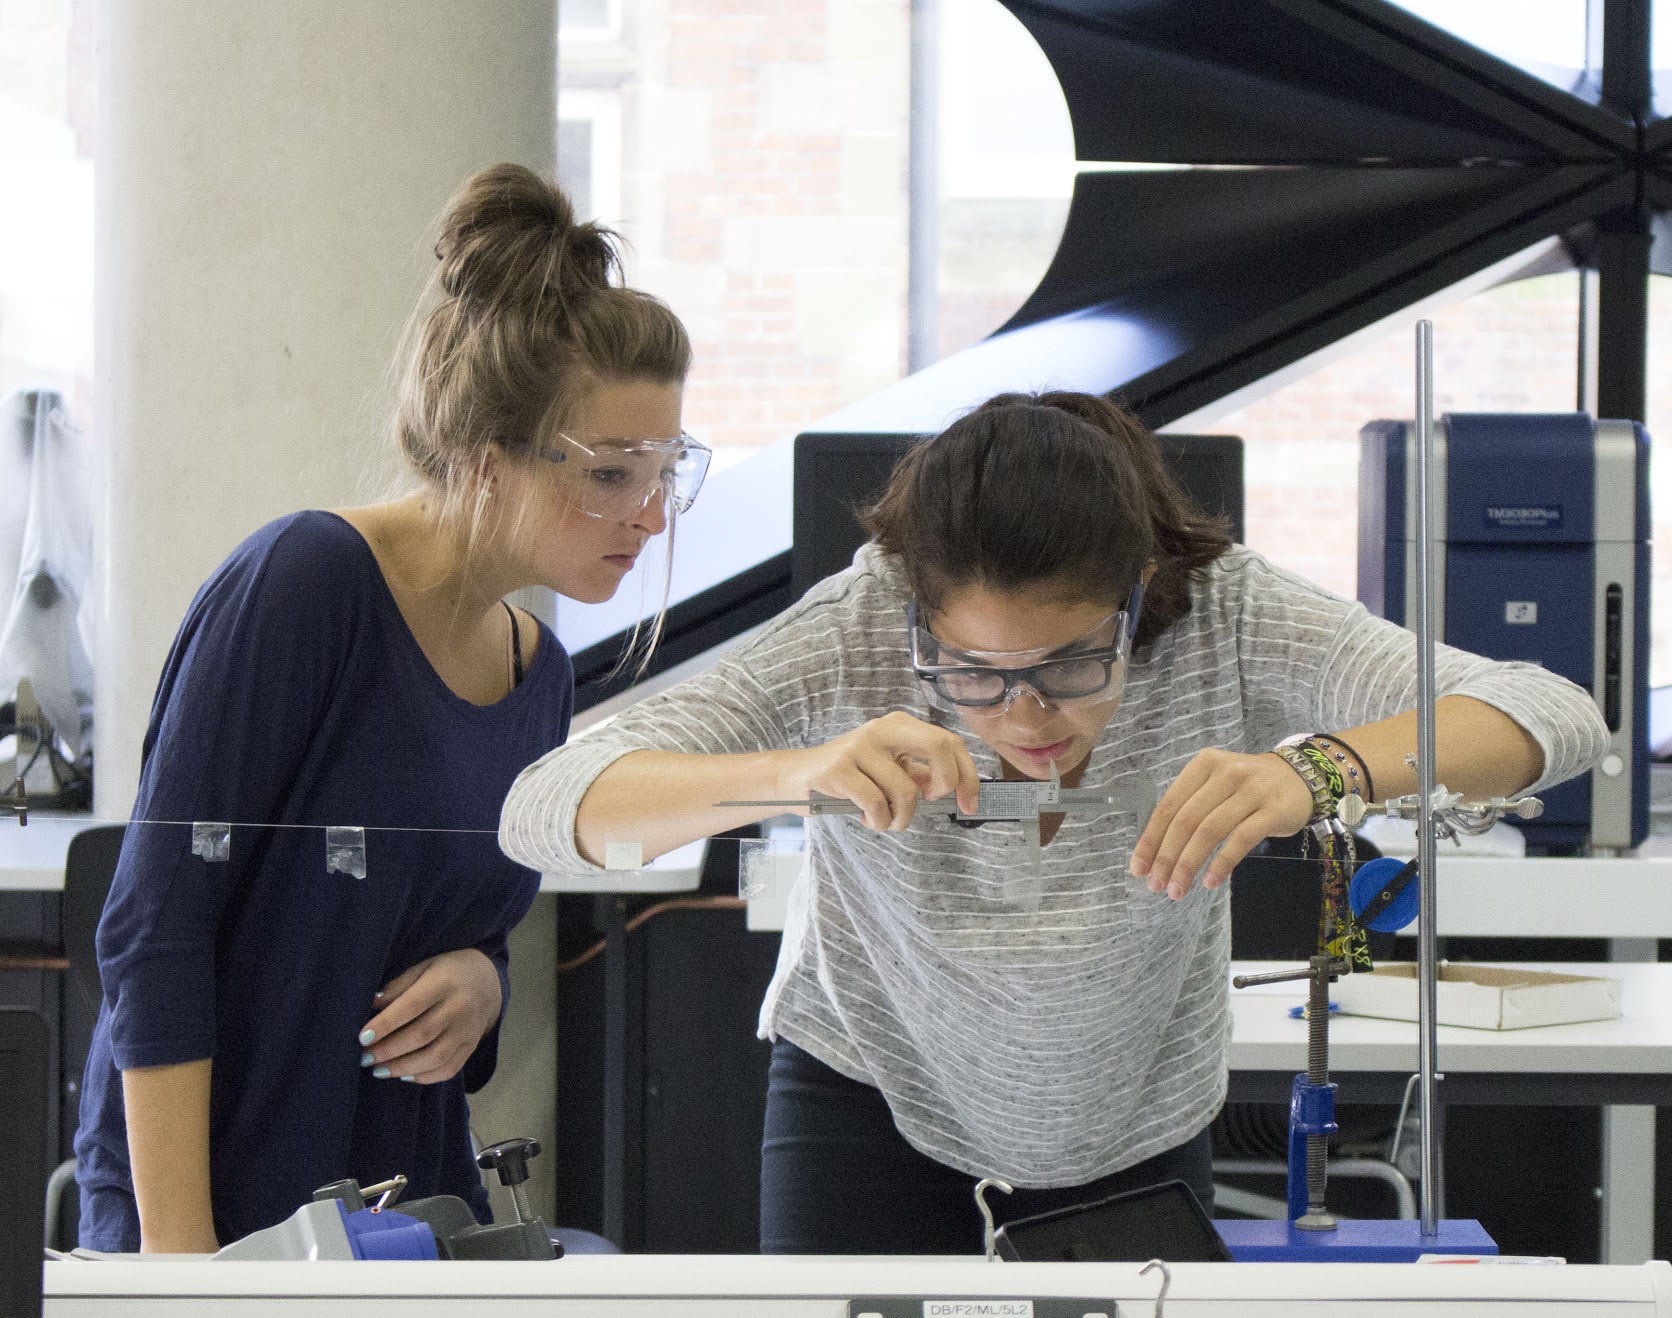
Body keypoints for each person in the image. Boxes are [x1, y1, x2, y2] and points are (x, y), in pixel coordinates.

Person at [498, 389, 1609, 1255]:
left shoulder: (1229, 609)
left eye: (1073, 663)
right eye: (973, 674)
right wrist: (800, 772)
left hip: (1130, 1117)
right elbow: (544, 811)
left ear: (1136, 590)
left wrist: (1323, 768)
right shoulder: (856, 623)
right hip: (868, 1100)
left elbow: (1555, 712)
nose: (1026, 715)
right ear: (916, 612)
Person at [75, 163, 707, 1253]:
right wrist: (181, 1270)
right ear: (488, 459)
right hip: (211, 1212)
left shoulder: (538, 674)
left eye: (665, 469)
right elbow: (154, 931)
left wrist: (480, 983)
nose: (648, 516)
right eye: (611, 474)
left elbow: (450, 924)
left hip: (399, 1215)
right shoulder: (303, 586)